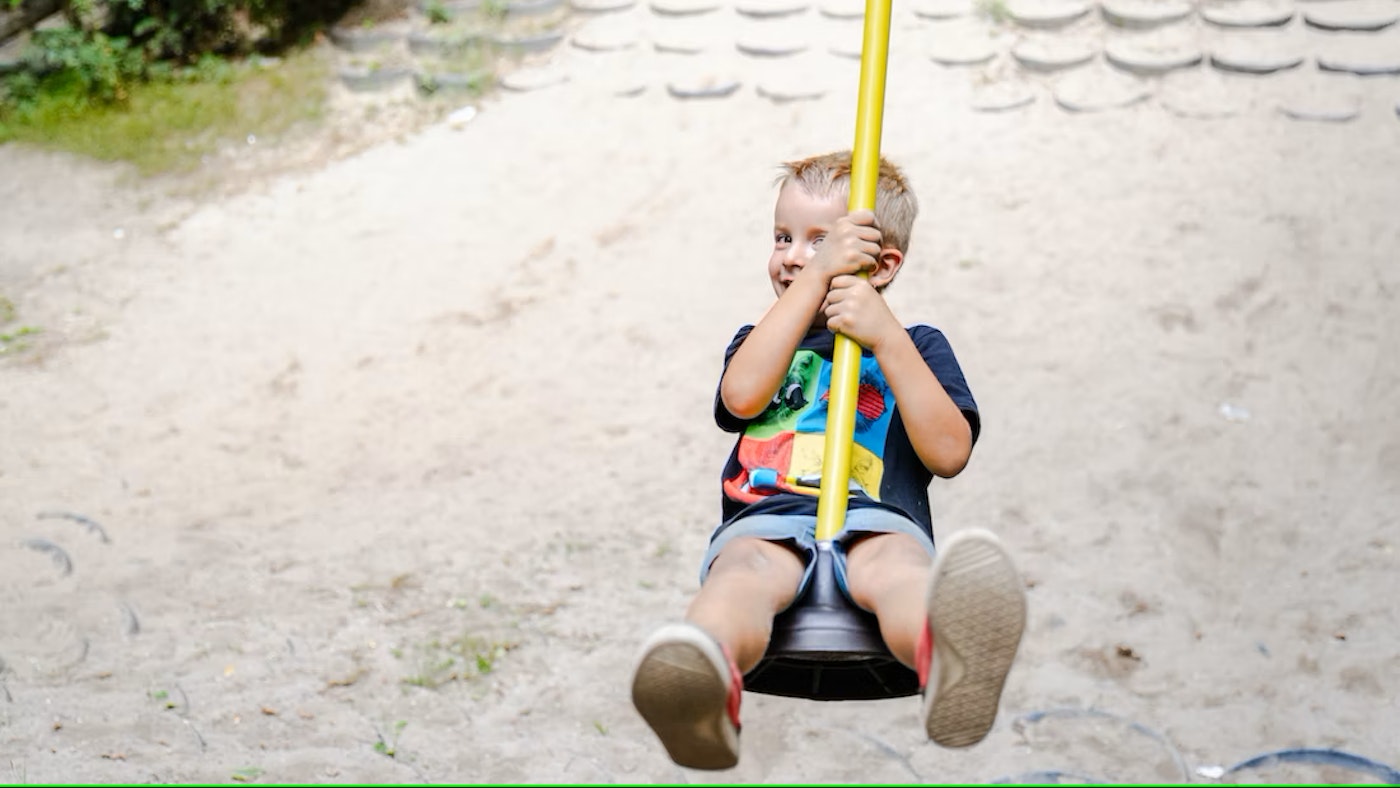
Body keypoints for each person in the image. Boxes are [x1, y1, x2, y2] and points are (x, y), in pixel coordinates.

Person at [630, 151, 1028, 771]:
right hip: (766, 517)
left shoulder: (916, 347)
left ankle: (949, 662)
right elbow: (741, 397)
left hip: (875, 518)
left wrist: (886, 337)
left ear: (883, 262)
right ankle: (702, 682)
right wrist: (818, 278)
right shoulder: (762, 340)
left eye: (819, 242)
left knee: (898, 571)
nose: (792, 255)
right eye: (783, 237)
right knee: (740, 577)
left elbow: (949, 453)